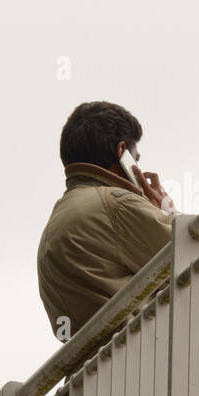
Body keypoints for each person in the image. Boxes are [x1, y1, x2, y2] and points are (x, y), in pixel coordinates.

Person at [37, 101, 177, 340]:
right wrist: (167, 209)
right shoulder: (118, 204)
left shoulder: (56, 221)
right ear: (121, 152)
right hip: (144, 357)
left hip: (95, 372)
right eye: (136, 159)